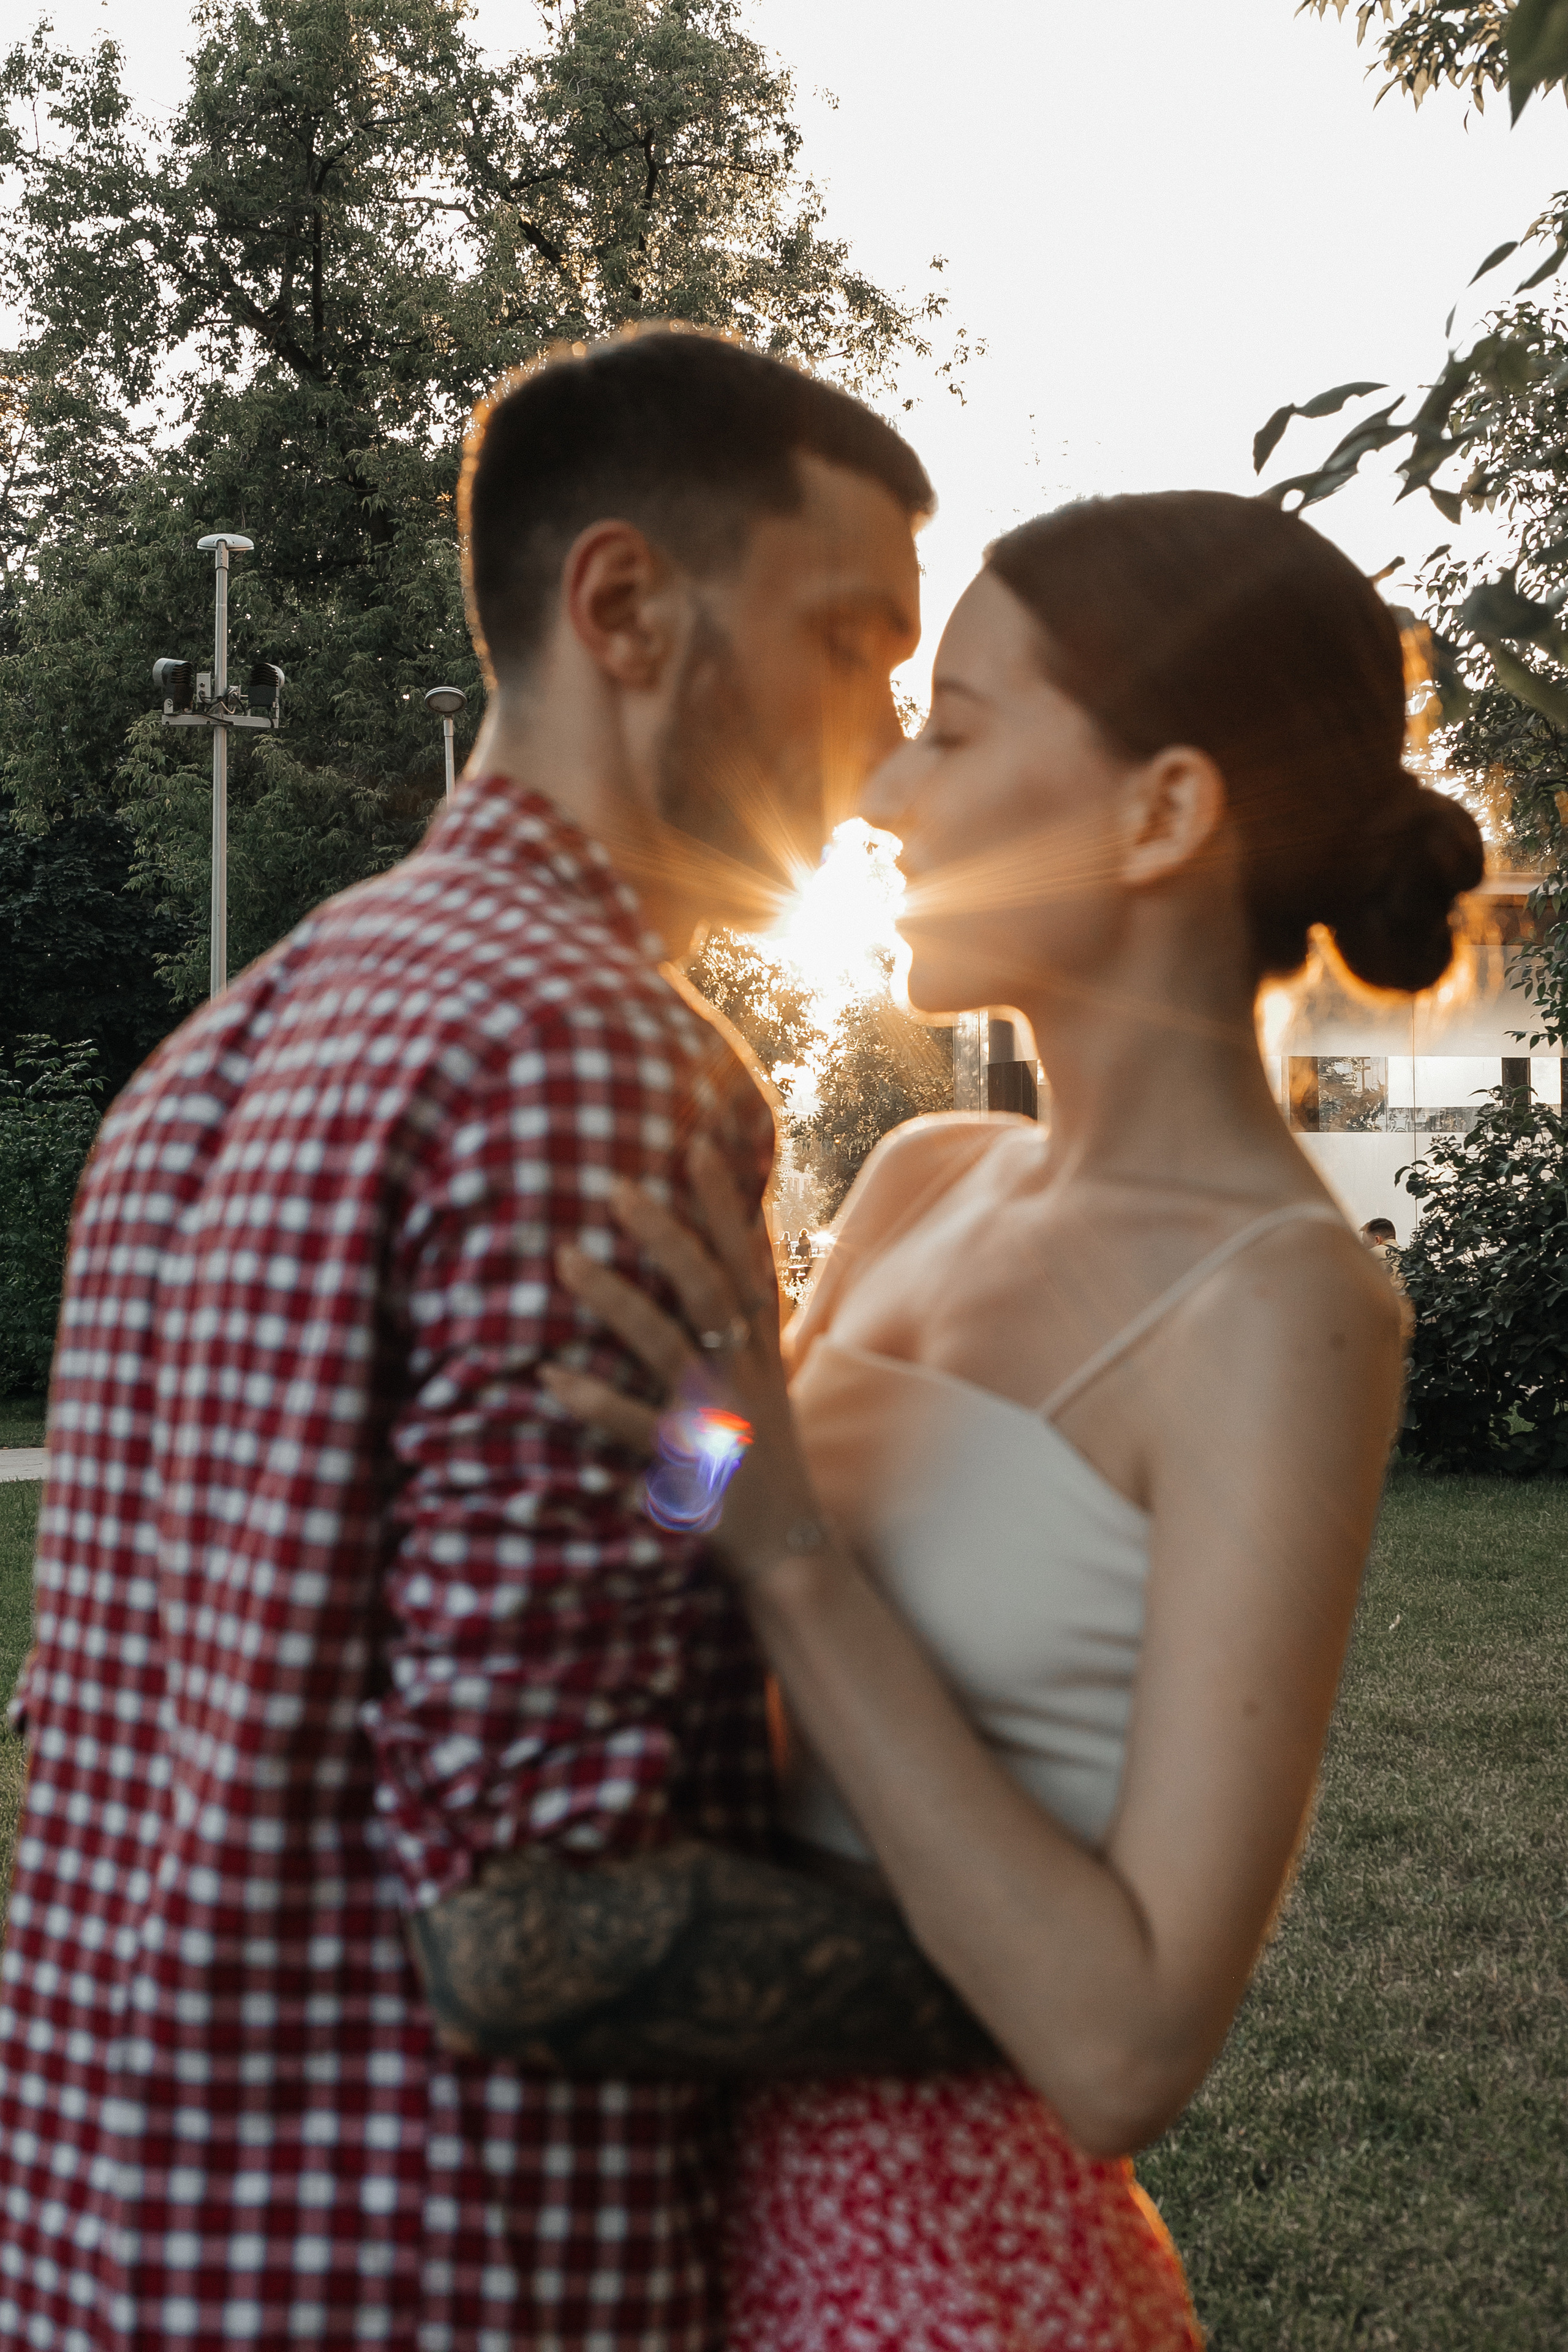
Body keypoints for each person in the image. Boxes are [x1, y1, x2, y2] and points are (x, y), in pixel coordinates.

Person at [0, 329, 1000, 2352]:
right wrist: (1049, 1971)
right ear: (624, 605)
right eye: (849, 643)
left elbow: (478, 1544)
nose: (885, 751)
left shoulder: (211, 1062)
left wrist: (727, 1455)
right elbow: (533, 1936)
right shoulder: (590, 1055)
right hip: (436, 2273)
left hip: (108, 2243)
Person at [539, 491, 1486, 2348]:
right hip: (642, 2209)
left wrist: (798, 1555)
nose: (882, 792)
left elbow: (1132, 2042)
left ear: (1165, 811)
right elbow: (688, 1523)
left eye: (955, 732)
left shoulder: (1285, 1306)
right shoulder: (916, 1176)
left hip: (935, 2273)